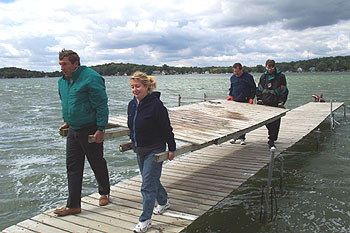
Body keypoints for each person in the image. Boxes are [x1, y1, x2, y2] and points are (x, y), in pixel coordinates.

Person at [54, 49, 110, 216]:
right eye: (60, 64)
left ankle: (104, 192)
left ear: (75, 64)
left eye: (64, 64)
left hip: (90, 128)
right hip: (73, 129)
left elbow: (101, 105)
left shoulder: (91, 78)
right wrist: (67, 120)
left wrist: (101, 128)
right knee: (72, 167)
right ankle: (73, 205)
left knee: (96, 162)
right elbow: (65, 102)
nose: (61, 68)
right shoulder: (62, 81)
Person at [127, 71, 176, 233]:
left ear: (147, 87)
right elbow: (131, 125)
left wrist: (172, 148)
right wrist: (133, 140)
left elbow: (166, 128)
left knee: (147, 185)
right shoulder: (132, 104)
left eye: (138, 86)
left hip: (155, 149)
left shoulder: (156, 105)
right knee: (150, 179)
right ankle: (163, 201)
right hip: (139, 148)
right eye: (132, 87)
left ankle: (145, 220)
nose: (135, 90)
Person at [256, 59, 288, 149]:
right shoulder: (263, 76)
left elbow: (284, 89)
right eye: (267, 68)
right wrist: (259, 99)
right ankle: (271, 135)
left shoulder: (281, 76)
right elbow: (259, 88)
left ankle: (272, 140)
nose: (269, 70)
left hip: (275, 103)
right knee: (266, 122)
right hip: (265, 102)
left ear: (274, 67)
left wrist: (281, 101)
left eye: (271, 68)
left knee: (275, 123)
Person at [227, 63, 256, 145]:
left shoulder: (248, 77)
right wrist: (231, 95)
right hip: (235, 101)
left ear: (241, 70)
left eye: (237, 72)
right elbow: (232, 88)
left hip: (245, 101)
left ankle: (242, 138)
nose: (236, 73)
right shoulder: (232, 78)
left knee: (243, 121)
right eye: (235, 72)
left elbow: (253, 88)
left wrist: (251, 98)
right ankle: (235, 137)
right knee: (234, 120)